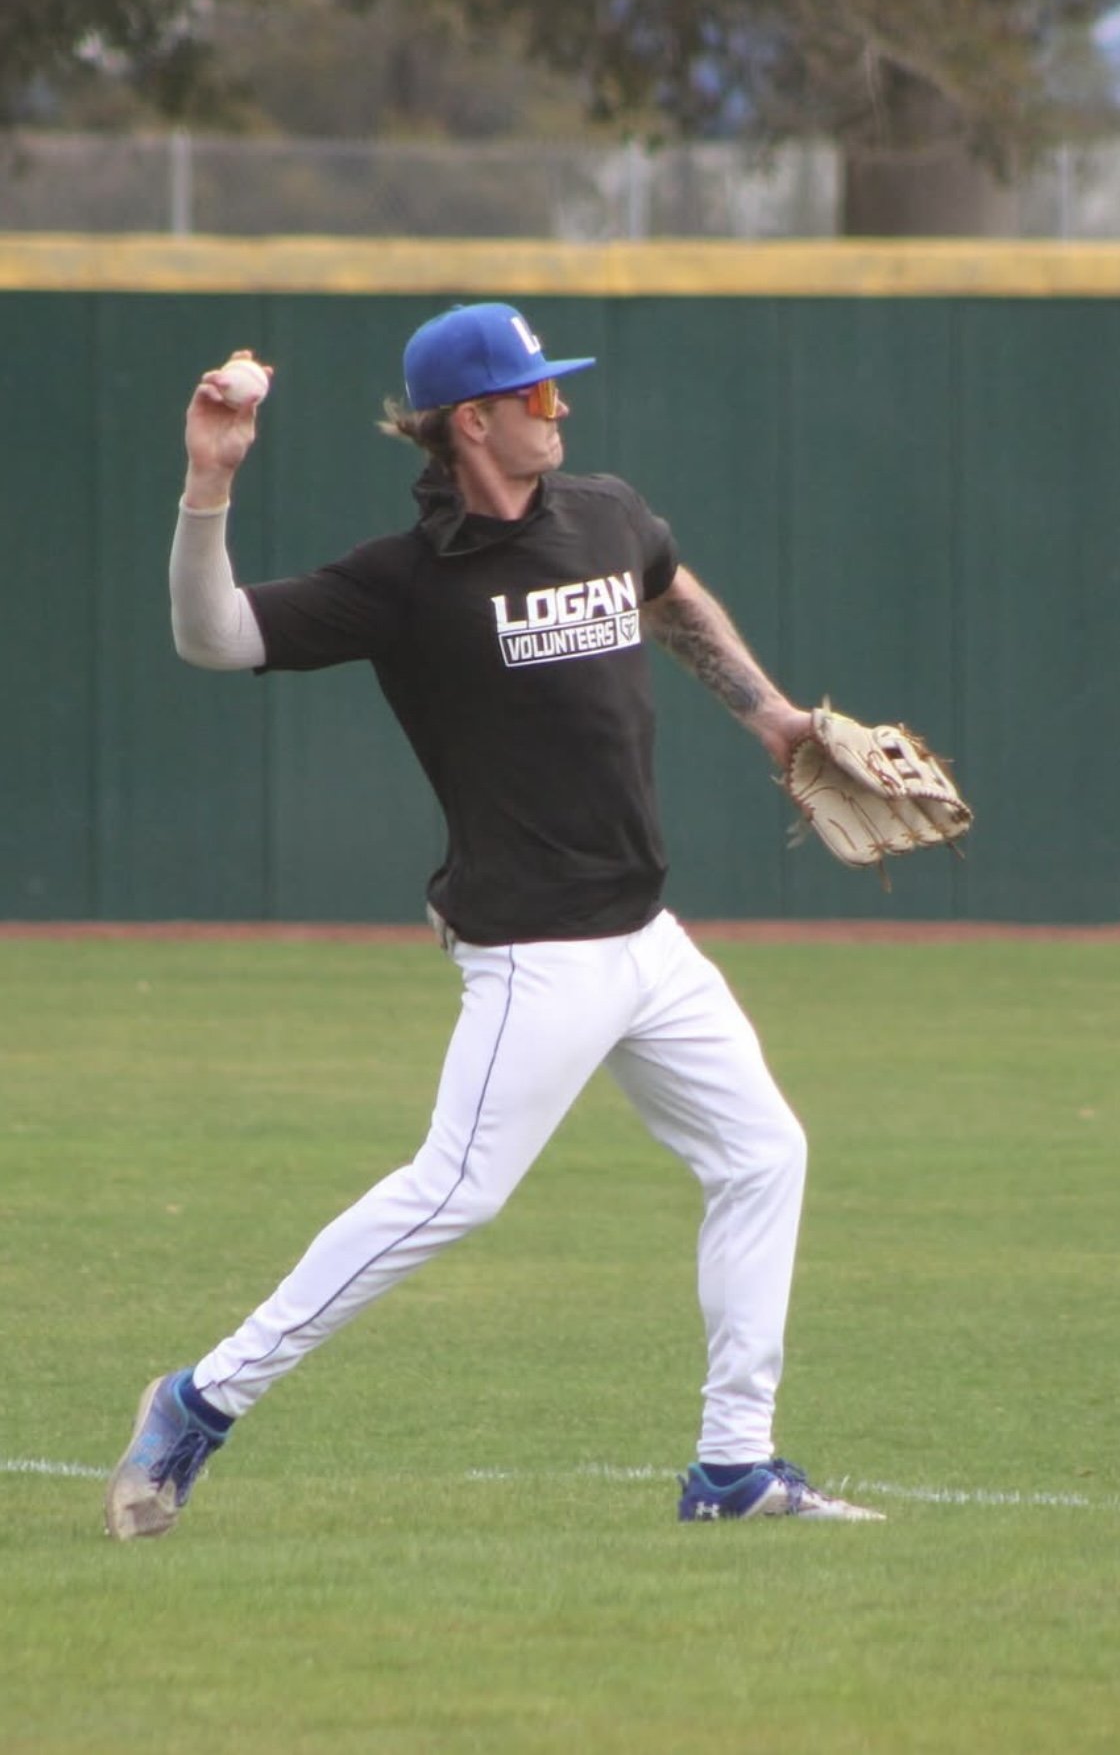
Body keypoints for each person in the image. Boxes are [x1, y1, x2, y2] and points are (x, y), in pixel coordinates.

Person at [105, 301, 883, 1538]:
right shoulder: (405, 584)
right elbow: (214, 636)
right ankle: (201, 1399)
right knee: (452, 1192)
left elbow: (670, 593)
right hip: (534, 951)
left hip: (648, 941)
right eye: (539, 395)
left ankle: (733, 1467)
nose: (557, 409)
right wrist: (210, 484)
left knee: (762, 1154)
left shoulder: (608, 515)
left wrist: (774, 715)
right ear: (473, 420)